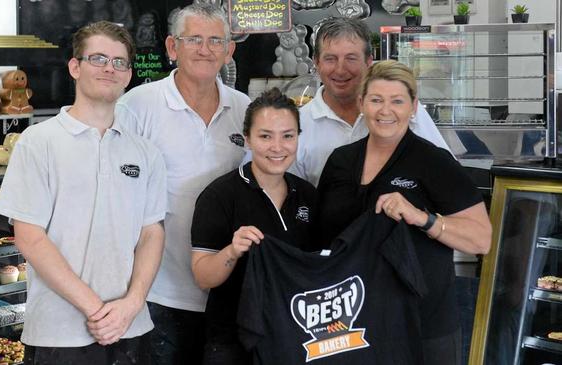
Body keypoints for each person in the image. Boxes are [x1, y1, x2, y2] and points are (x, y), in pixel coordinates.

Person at [0, 21, 167, 365]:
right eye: (98, 58)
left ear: (129, 74)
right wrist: (99, 311)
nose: (109, 69)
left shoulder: (146, 153)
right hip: (59, 333)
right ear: (75, 67)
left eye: (119, 62)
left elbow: (152, 233)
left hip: (132, 328)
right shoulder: (38, 143)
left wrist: (131, 305)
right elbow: (29, 237)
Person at [315, 60, 491, 364]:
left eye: (397, 101)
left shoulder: (434, 161)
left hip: (424, 323)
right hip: (352, 323)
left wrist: (423, 218)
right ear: (361, 103)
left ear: (413, 107)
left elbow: (481, 240)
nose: (386, 111)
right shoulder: (340, 161)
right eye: (376, 100)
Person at [114, 4, 251, 364]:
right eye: (194, 40)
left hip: (230, 295)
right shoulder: (137, 107)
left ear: (228, 51)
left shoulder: (245, 111)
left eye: (215, 41)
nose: (205, 50)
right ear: (173, 47)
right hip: (159, 294)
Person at [190, 88, 315, 364]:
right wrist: (232, 251)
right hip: (231, 342)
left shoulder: (308, 196)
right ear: (247, 139)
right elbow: (203, 276)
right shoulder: (219, 196)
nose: (277, 147)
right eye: (265, 136)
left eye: (287, 136)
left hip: (295, 337)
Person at [290, 17, 460, 187]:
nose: (340, 69)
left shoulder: (399, 111)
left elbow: (449, 180)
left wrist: (424, 214)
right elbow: (290, 196)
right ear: (316, 63)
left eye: (351, 58)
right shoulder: (297, 124)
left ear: (369, 61)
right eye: (330, 59)